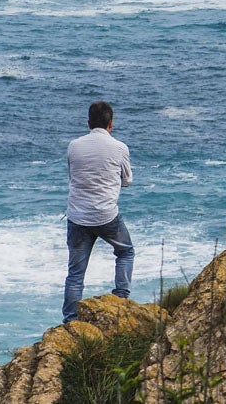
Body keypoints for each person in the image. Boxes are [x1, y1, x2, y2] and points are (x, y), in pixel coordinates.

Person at [62, 100, 134, 323]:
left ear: (88, 123)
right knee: (125, 252)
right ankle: (121, 297)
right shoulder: (119, 148)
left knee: (75, 275)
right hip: (106, 215)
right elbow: (127, 180)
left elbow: (72, 175)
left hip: (78, 216)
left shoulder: (74, 145)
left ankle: (70, 320)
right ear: (110, 124)